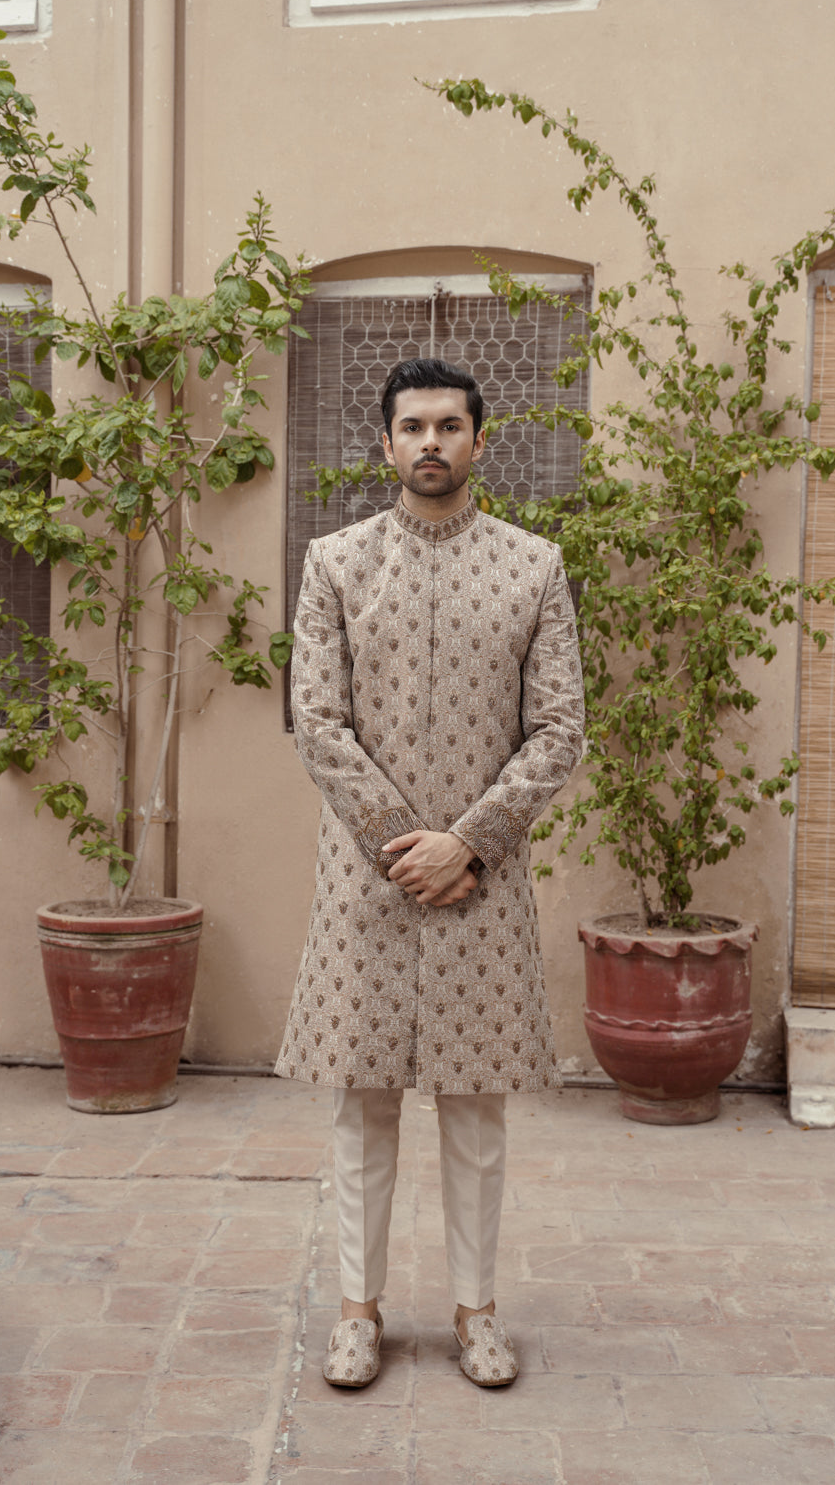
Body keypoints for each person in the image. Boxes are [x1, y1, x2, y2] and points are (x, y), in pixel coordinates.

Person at [275, 356, 584, 1389]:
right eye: (412, 427)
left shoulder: (531, 567)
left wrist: (470, 843)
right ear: (385, 443)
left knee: (474, 1110)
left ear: (478, 441)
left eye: (449, 426)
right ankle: (357, 1314)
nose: (430, 444)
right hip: (367, 881)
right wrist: (408, 847)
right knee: (361, 1105)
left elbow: (556, 732)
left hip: (479, 882)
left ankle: (474, 1312)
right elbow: (315, 722)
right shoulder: (334, 563)